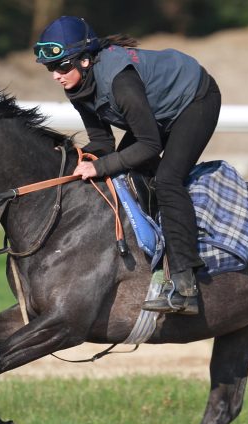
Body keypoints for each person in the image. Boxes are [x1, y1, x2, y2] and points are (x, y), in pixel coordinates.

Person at [34, 16, 222, 315]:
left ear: (85, 61)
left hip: (194, 99)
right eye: (50, 69)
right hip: (157, 110)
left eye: (61, 67)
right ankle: (154, 255)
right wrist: (72, 159)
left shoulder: (121, 82)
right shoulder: (77, 86)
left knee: (167, 180)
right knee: (127, 170)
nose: (56, 76)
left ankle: (185, 286)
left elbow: (149, 146)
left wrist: (99, 167)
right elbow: (101, 142)